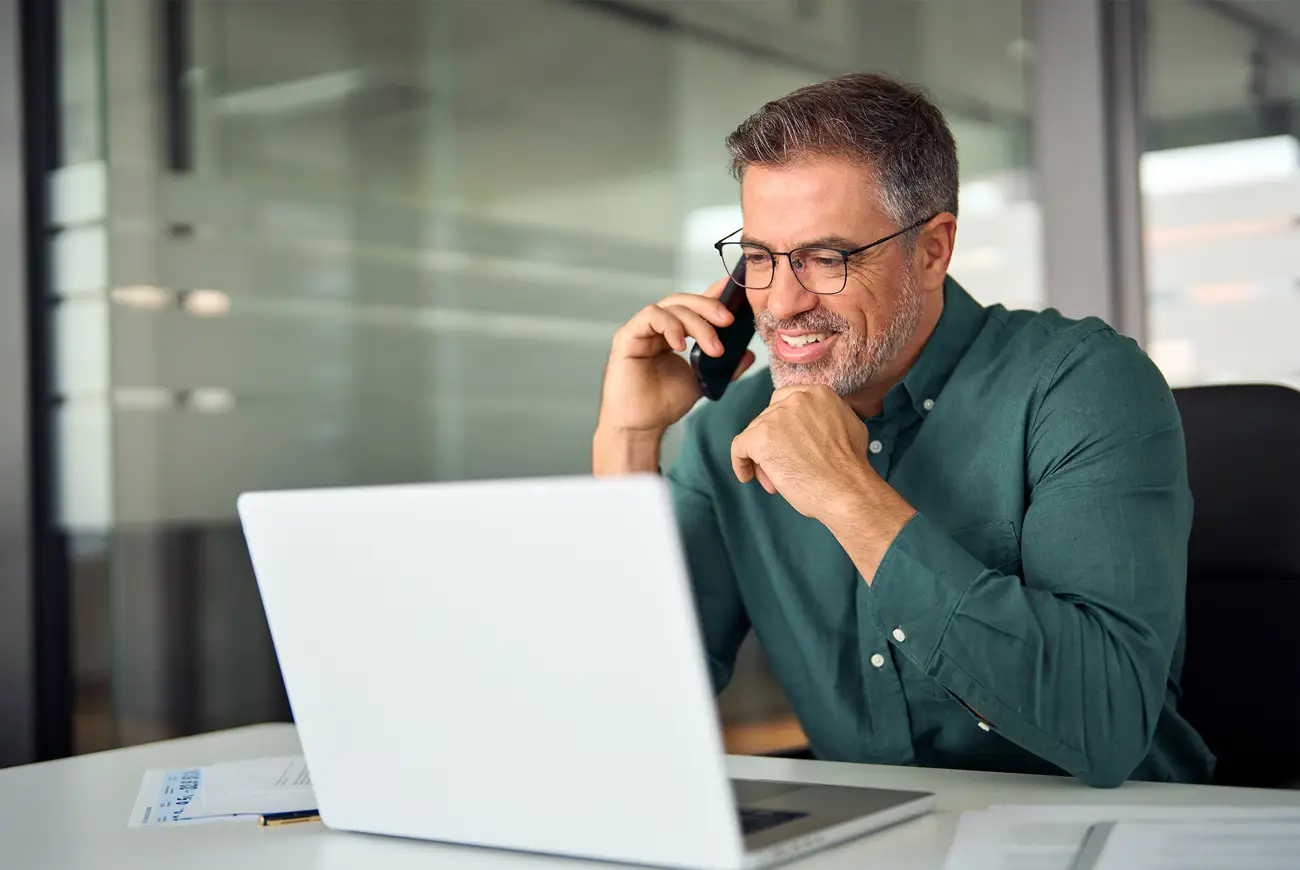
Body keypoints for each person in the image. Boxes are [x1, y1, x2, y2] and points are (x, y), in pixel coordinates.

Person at [592, 72, 1214, 788]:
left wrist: (847, 496)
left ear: (932, 250)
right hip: (866, 831)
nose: (782, 304)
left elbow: (1107, 723)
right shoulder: (729, 430)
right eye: (759, 258)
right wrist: (628, 439)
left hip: (1105, 827)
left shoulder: (1081, 384)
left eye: (826, 258)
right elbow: (632, 702)